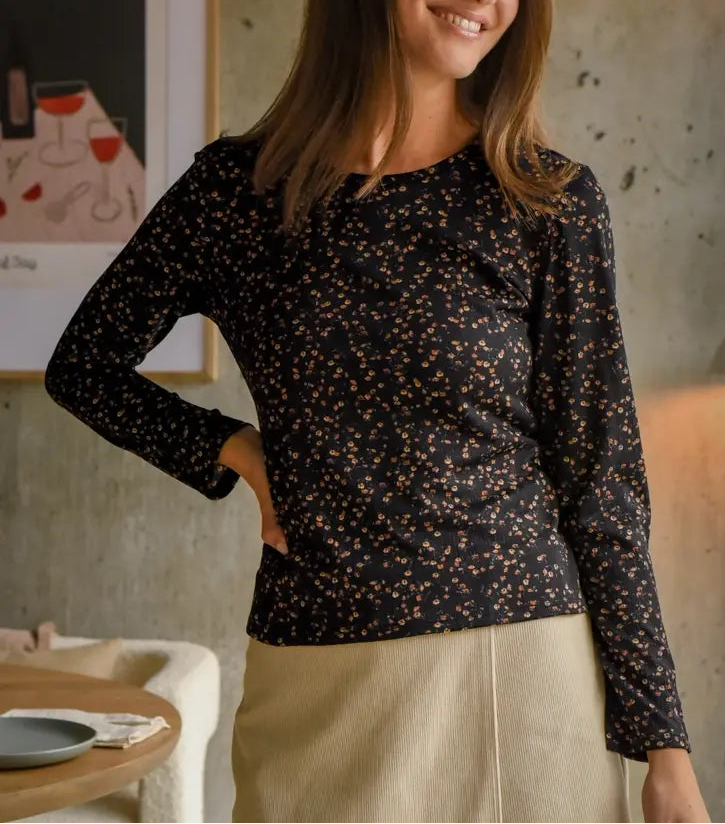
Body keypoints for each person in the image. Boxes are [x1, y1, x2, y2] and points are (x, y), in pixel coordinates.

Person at [44, 1, 710, 822]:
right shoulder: (236, 192)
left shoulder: (546, 199)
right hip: (318, 672)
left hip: (523, 670)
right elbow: (83, 367)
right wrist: (235, 451)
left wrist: (664, 746)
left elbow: (602, 481)